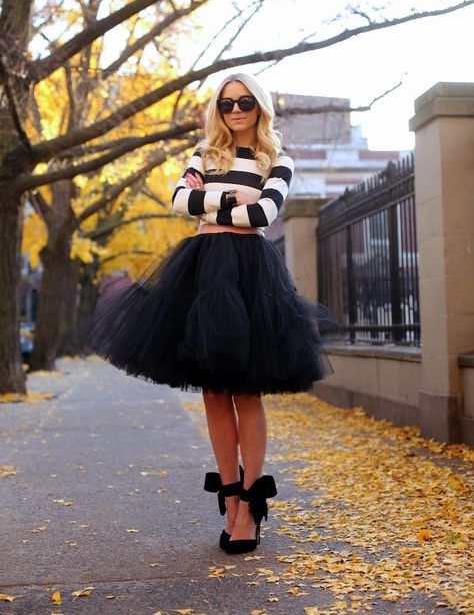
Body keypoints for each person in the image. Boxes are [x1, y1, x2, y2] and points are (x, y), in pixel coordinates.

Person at [85, 72, 333, 555]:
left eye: (243, 102)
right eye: (226, 104)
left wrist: (213, 202)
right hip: (201, 274)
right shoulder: (203, 153)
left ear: (259, 106)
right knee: (214, 392)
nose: (235, 110)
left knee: (245, 390)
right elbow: (180, 201)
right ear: (217, 110)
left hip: (249, 277)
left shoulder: (277, 160)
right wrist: (235, 196)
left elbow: (264, 216)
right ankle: (232, 496)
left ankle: (250, 509)